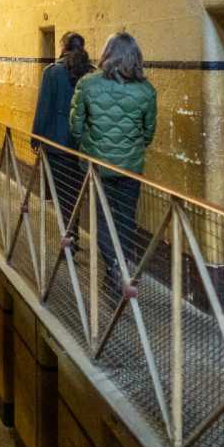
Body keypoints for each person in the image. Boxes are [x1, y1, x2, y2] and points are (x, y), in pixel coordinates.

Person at [68, 32, 157, 290]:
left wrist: (89, 142)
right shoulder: (146, 91)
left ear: (107, 53)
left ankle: (113, 267)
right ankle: (122, 266)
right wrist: (132, 147)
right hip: (130, 166)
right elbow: (148, 131)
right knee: (126, 218)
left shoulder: (88, 84)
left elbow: (75, 125)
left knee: (102, 218)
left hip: (97, 166)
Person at [33, 32, 93, 234]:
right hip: (81, 145)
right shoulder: (91, 73)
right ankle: (73, 231)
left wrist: (36, 137)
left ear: (63, 46)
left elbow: (44, 107)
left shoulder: (52, 72)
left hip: (56, 144)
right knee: (76, 192)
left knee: (61, 193)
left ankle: (68, 235)